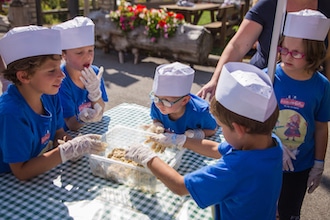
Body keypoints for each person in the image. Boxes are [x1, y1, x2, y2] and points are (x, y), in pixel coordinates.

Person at [126, 62, 283, 220]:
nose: (221, 131)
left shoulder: (237, 169)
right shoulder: (270, 143)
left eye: (222, 127)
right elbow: (216, 149)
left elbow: (180, 186)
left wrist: (148, 158)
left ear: (239, 130)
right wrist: (179, 139)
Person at [0, 26, 107, 180]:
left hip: (41, 174)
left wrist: (73, 145)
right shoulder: (11, 113)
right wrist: (64, 152)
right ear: (24, 76)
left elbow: (58, 133)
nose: (62, 75)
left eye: (59, 67)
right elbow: (21, 171)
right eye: (51, 71)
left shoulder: (49, 95)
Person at [197, 0, 330, 101]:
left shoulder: (326, 5)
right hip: (265, 85)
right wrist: (216, 80)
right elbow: (237, 46)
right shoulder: (269, 4)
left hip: (307, 85)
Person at [269, 10, 330, 220]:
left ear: (313, 54)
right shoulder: (270, 77)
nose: (286, 56)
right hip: (267, 159)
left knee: (288, 213)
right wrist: (272, 141)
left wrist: (318, 164)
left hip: (300, 166)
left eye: (296, 53)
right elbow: (255, 119)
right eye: (283, 49)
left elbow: (321, 126)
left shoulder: (322, 86)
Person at [52, 16, 108, 131]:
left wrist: (95, 94)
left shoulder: (95, 73)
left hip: (92, 130)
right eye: (79, 53)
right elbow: (70, 124)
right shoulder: (61, 80)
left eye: (90, 50)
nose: (87, 56)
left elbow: (101, 109)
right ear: (64, 55)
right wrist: (81, 119)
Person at [145, 62, 217, 140]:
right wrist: (158, 124)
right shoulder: (156, 105)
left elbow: (212, 130)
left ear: (184, 100)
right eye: (156, 98)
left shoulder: (200, 113)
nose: (159, 105)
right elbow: (156, 118)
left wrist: (194, 134)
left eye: (166, 102)